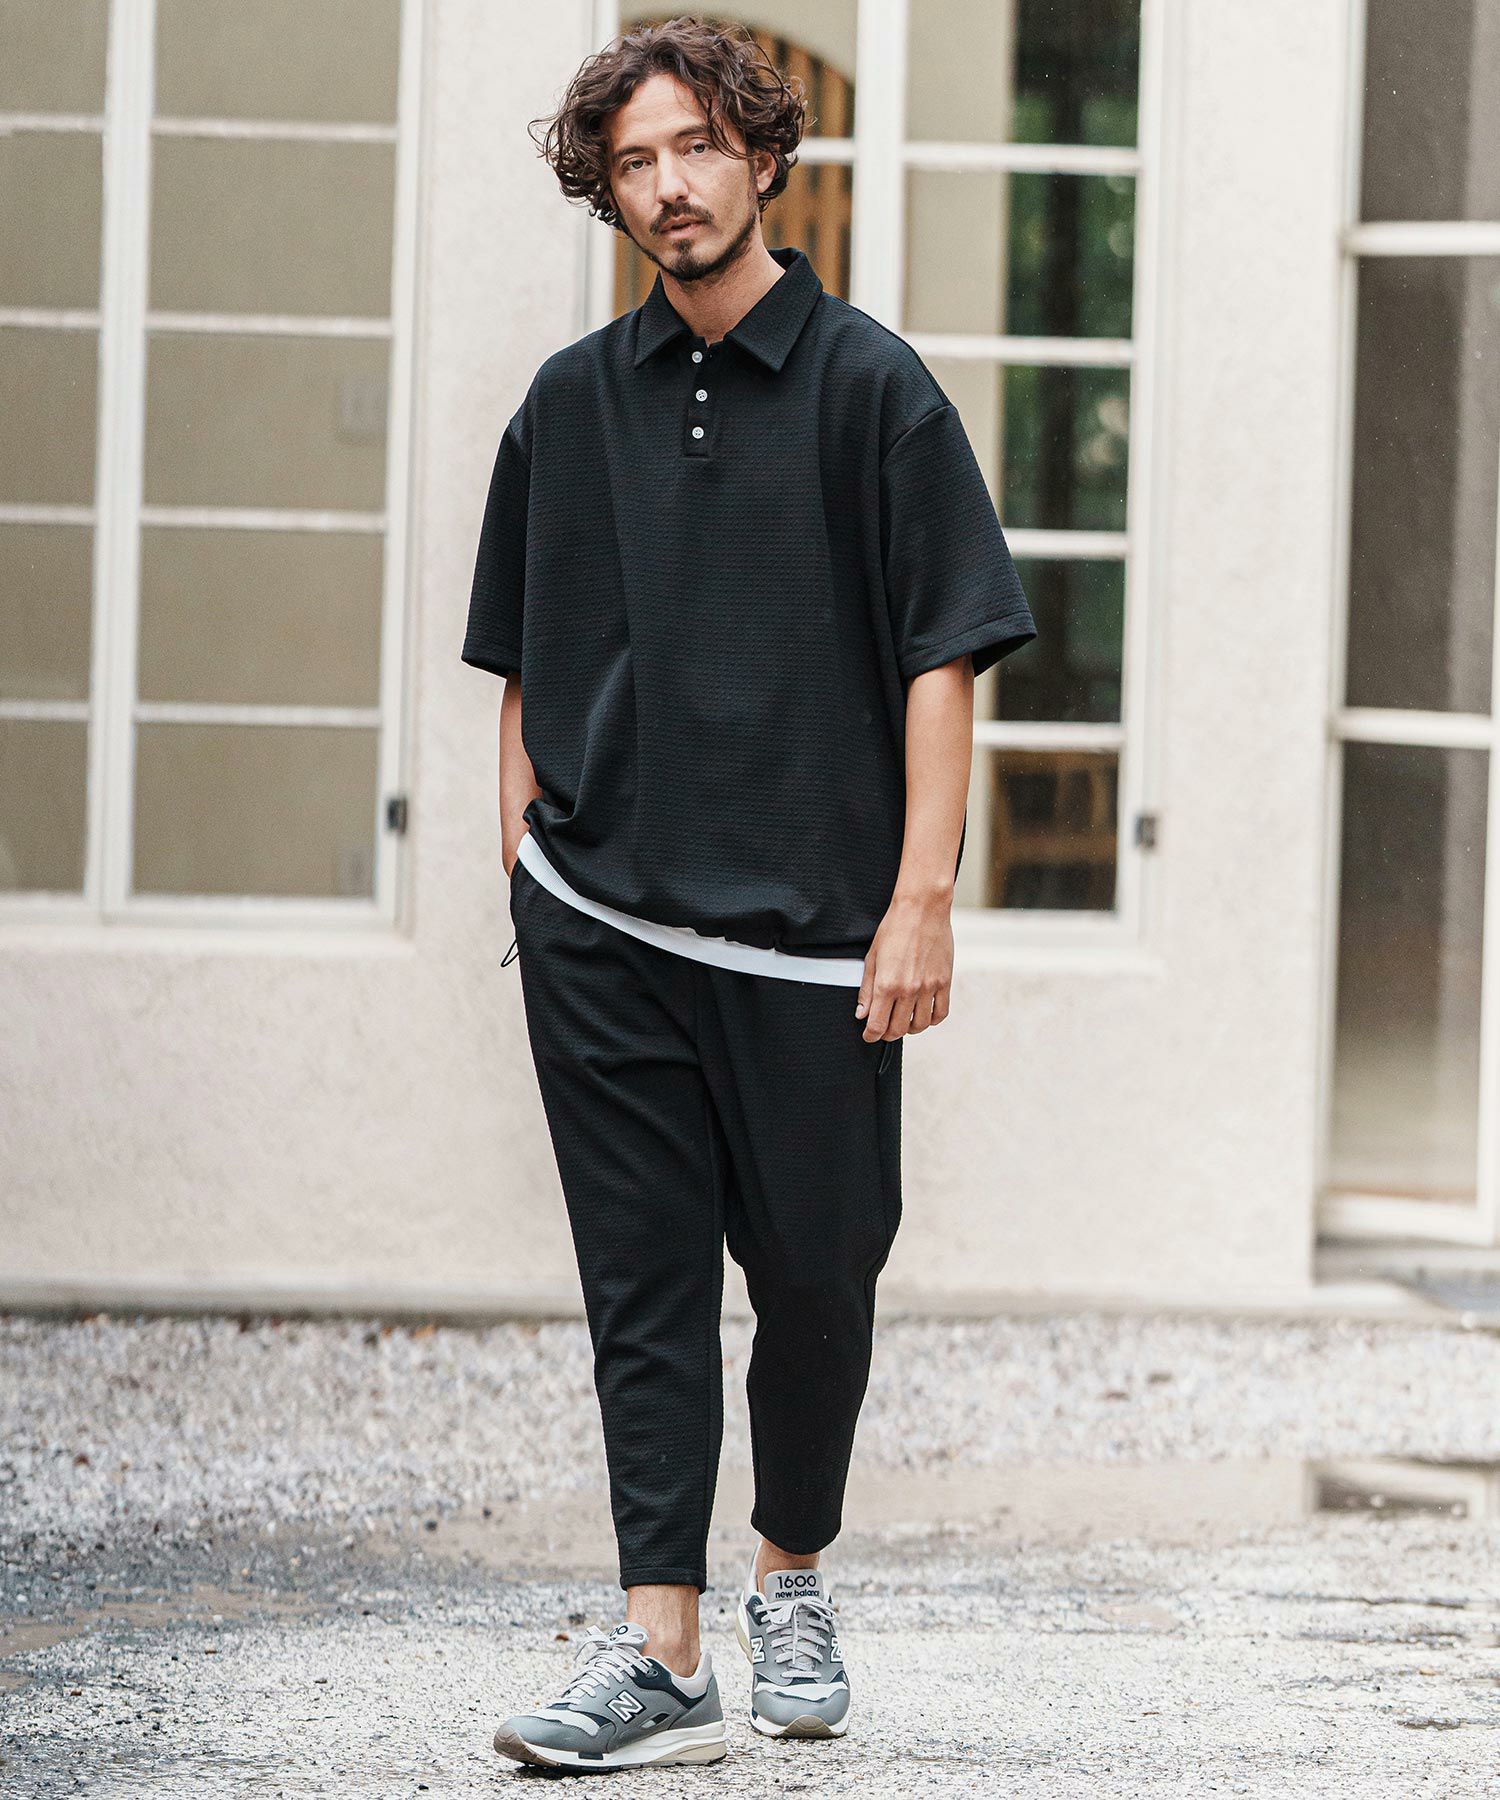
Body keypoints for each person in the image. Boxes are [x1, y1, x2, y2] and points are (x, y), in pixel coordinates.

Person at [462, 14, 1036, 1772]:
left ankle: (792, 1572)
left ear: (765, 157)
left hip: (811, 949)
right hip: (606, 930)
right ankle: (663, 1653)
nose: (668, 186)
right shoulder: (570, 407)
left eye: (696, 148)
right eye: (634, 161)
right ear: (609, 190)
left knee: (819, 1278)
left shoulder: (876, 392)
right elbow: (520, 661)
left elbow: (944, 655)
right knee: (641, 1288)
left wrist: (921, 897)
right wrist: (529, 870)